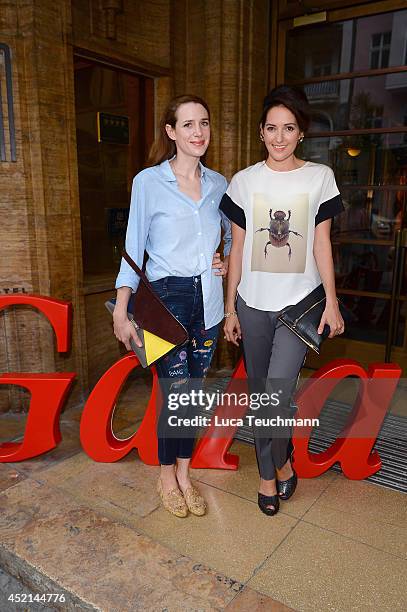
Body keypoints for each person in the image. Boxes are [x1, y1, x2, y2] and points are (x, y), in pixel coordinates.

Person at [221, 85, 344, 516]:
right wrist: (229, 308)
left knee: (275, 394)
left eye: (288, 128)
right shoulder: (244, 181)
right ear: (260, 132)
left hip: (298, 307)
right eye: (271, 128)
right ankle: (284, 460)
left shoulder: (319, 177)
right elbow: (236, 249)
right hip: (252, 304)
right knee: (263, 397)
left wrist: (331, 301)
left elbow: (322, 245)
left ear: (301, 133)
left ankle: (266, 476)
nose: (279, 137)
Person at [113, 94, 231, 517]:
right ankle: (167, 477)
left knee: (193, 395)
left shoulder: (220, 184)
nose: (198, 132)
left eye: (204, 123)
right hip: (167, 300)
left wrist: (225, 259)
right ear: (171, 132)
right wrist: (121, 307)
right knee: (175, 395)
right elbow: (132, 248)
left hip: (209, 303)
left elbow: (233, 235)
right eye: (188, 125)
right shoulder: (148, 182)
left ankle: (185, 473)